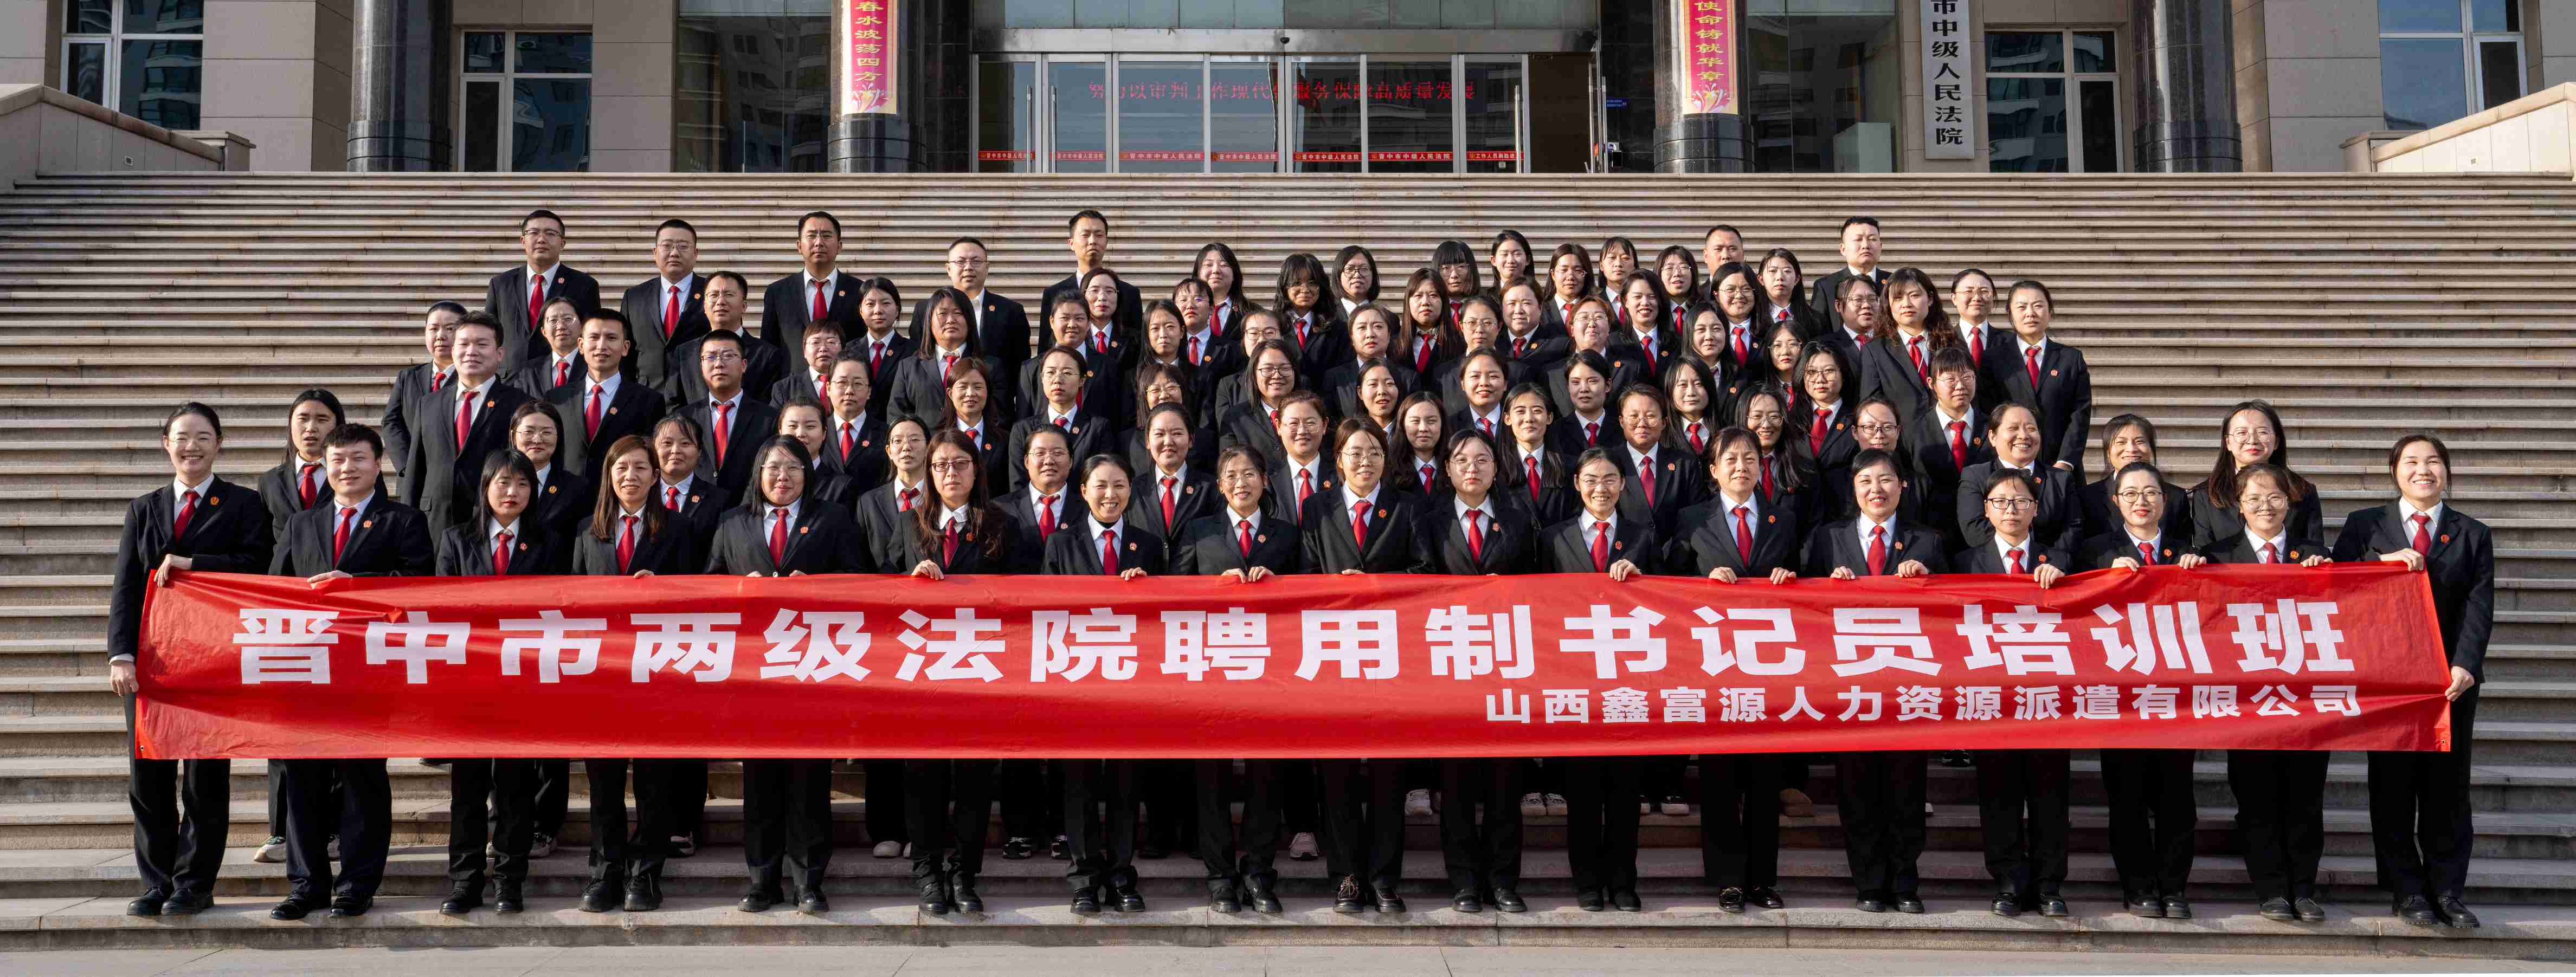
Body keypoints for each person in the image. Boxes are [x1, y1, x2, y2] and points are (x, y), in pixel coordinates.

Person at [110, 403, 273, 917]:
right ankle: (156, 882)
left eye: (203, 437)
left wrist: (194, 563)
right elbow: (126, 586)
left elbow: (258, 566)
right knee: (148, 778)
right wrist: (120, 654)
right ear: (166, 444)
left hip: (211, 663)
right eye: (182, 437)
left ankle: (195, 884)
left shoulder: (244, 504)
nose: (192, 447)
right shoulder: (144, 508)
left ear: (219, 444)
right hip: (152, 664)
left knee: (205, 779)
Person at [267, 424, 433, 920]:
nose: (347, 468)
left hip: (368, 672)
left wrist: (356, 584)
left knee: (362, 779)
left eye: (358, 458)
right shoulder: (302, 523)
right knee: (302, 780)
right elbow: (276, 589)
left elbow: (419, 586)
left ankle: (357, 884)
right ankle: (306, 884)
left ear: (378, 463)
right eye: (337, 460)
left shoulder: (404, 520)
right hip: (307, 670)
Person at [2336, 435, 2492, 931]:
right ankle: (2407, 889)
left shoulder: (2473, 533)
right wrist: (2378, 565)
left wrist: (2465, 664)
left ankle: (2448, 890)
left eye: (2433, 462)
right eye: (2411, 461)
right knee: (2393, 786)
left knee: (2448, 788)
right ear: (2394, 471)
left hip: (2449, 681)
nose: (2423, 470)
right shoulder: (2365, 525)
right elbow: (2335, 583)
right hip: (2388, 679)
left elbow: (2479, 605)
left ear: (2446, 471)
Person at [709, 436, 863, 915]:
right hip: (754, 674)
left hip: (812, 668)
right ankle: (762, 880)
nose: (783, 476)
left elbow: (860, 580)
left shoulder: (833, 519)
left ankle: (809, 881)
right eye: (773, 467)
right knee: (760, 782)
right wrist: (739, 589)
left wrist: (820, 589)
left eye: (793, 467)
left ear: (808, 473)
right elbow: (707, 585)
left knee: (809, 781)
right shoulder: (733, 522)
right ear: (758, 472)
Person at [1802, 448, 1946, 915]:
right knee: (1857, 790)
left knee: (1907, 790)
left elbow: (1954, 611)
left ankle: (1905, 882)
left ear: (1902, 485)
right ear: (1853, 488)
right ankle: (1869, 882)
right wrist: (1826, 585)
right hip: (1852, 688)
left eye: (1885, 480)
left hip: (1909, 689)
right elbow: (1800, 606)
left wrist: (1928, 581)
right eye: (1865, 481)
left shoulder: (1928, 541)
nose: (1876, 489)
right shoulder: (1828, 538)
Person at [570, 435, 703, 913]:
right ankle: (605, 872)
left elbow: (699, 597)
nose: (631, 476)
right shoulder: (587, 531)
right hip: (602, 676)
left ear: (656, 475)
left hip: (658, 673)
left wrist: (665, 589)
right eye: (621, 468)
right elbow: (570, 602)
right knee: (604, 783)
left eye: (641, 468)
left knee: (653, 781)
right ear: (609, 475)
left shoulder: (679, 528)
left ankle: (645, 873)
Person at [433, 448, 564, 917]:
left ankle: (510, 880)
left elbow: (558, 607)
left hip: (523, 680)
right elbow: (441, 607)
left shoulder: (549, 542)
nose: (512, 492)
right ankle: (465, 882)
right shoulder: (456, 540)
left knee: (515, 788)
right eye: (503, 483)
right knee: (467, 790)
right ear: (485, 487)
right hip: (468, 681)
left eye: (523, 484)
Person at [2202, 462, 2334, 924]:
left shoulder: (2313, 554)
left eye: (2275, 497)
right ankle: (2271, 888)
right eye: (2254, 499)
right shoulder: (2216, 556)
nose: (2265, 506)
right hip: (2247, 700)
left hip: (2305, 698)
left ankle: (2304, 889)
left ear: (2289, 503)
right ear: (2239, 506)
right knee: (2256, 798)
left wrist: (2328, 575)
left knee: (2306, 798)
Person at [1671, 426, 1796, 914]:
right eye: (1731, 459)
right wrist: (1702, 580)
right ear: (1714, 469)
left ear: (1762, 467)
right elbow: (1669, 580)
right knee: (1720, 777)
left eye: (1749, 458)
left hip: (1769, 667)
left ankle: (1762, 879)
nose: (1741, 467)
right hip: (1715, 665)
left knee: (1764, 779)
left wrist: (1790, 579)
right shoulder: (1692, 519)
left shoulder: (1783, 519)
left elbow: (1806, 579)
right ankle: (1727, 879)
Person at [1170, 443, 1297, 914]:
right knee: (1212, 780)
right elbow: (1174, 592)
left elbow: (1310, 593)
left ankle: (1259, 873)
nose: (1241, 482)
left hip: (1270, 674)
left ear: (1265, 481)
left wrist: (1279, 584)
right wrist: (1211, 587)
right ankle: (1221, 876)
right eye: (1231, 475)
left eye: (1249, 474)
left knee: (1267, 776)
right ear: (1220, 485)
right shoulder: (1200, 530)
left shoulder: (1287, 533)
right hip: (1213, 673)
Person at [1303, 421, 1424, 914]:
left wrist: (1374, 584)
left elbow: (1424, 572)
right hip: (1334, 656)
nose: (1365, 461)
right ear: (1337, 460)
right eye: (1354, 452)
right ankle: (1347, 875)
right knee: (1338, 775)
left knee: (1389, 775)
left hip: (1391, 657)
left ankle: (1384, 876)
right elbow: (1304, 574)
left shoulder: (1407, 507)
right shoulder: (1316, 508)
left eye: (1374, 451)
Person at [899, 429, 1021, 915]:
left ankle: (965, 873)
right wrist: (910, 582)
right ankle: (927, 871)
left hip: (980, 670)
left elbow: (1022, 594)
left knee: (974, 780)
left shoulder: (1002, 524)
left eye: (960, 464)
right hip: (921, 672)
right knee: (923, 778)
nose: (951, 473)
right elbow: (880, 586)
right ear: (929, 473)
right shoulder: (910, 523)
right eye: (941, 465)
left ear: (977, 470)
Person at [2078, 459, 2205, 920]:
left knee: (2177, 800)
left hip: (2175, 699)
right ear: (2115, 502)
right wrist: (2102, 575)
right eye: (2130, 493)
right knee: (2127, 799)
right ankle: (2139, 887)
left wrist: (2201, 572)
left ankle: (2174, 887)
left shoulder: (2187, 552)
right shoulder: (2094, 552)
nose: (2141, 501)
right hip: (2120, 698)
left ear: (2165, 500)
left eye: (2150, 492)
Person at [1415, 429, 1534, 915]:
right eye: (1462, 460)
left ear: (1496, 468)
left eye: (1482, 459)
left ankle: (1503, 880)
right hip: (1452, 665)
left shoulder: (1518, 519)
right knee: (1458, 782)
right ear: (1447, 469)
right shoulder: (1429, 521)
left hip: (1505, 665)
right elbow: (1418, 582)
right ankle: (1464, 880)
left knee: (1506, 782)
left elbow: (1539, 584)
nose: (1472, 468)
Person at [1045, 454, 1167, 914]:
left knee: (1124, 784)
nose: (1110, 494)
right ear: (1083, 491)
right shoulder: (1061, 543)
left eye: (1119, 485)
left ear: (1131, 492)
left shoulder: (1147, 545)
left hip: (1128, 684)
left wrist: (1148, 588)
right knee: (1078, 784)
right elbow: (1046, 611)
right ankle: (1083, 878)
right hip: (1076, 681)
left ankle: (1120, 875)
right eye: (1101, 485)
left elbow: (1167, 615)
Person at [1539, 449, 1656, 913]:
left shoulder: (1643, 536)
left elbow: (1664, 602)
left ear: (1624, 485)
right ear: (1576, 483)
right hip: (1575, 681)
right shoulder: (1553, 537)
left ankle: (1623, 881)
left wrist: (1642, 579)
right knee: (1583, 791)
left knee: (1626, 792)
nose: (1600, 488)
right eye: (1591, 479)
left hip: (1628, 681)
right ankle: (1587, 881)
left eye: (1610, 479)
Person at [1954, 469, 2073, 918]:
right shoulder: (1965, 563)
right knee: (1999, 798)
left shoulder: (2061, 561)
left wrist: (2065, 582)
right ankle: (2008, 882)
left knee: (2050, 798)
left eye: (2020, 501)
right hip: (1993, 701)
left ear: (2035, 508)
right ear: (1986, 510)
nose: (2011, 509)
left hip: (2048, 700)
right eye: (2001, 502)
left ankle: (2049, 885)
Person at [406, 312, 534, 529]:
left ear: (500, 354)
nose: (471, 352)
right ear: (453, 351)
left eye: (482, 345)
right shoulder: (428, 404)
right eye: (464, 344)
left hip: (490, 521)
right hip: (433, 522)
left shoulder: (520, 405)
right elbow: (415, 470)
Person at [1988, 280, 2094, 478]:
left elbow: (2080, 414)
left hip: (2061, 469)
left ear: (2050, 312)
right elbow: (1989, 412)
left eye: (2038, 306)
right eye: (2022, 307)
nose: (2030, 313)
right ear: (2010, 314)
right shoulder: (1994, 359)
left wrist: (2065, 462)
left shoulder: (2071, 359)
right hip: (2009, 469)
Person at [550, 310, 668, 483]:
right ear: (581, 345)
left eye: (611, 338)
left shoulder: (648, 401)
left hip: (620, 493)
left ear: (625, 348)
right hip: (566, 495)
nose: (601, 346)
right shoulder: (557, 399)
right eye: (594, 337)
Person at [2189, 399, 2324, 549]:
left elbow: (2314, 551)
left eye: (2263, 432)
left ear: (2277, 441)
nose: (2252, 441)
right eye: (2242, 433)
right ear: (2227, 442)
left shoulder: (2303, 491)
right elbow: (2204, 553)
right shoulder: (2207, 494)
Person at [1956, 402, 2082, 555]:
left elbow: (2073, 529)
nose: (2023, 436)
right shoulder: (1975, 476)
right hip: (1995, 565)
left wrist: (2050, 561)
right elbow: (1975, 530)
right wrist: (2021, 556)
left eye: (2031, 429)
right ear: (1993, 437)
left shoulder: (2060, 479)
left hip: (2051, 566)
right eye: (2013, 428)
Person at [484, 209, 601, 365]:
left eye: (550, 233)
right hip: (510, 374)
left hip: (562, 374)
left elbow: (591, 335)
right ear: (523, 240)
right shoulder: (501, 284)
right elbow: (488, 333)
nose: (541, 239)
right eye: (534, 233)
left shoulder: (585, 285)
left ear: (562, 244)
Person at [680, 329, 783, 502]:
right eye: (710, 357)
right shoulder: (684, 418)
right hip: (695, 509)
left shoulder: (770, 419)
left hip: (748, 510)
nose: (719, 364)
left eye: (728, 356)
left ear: (744, 365)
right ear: (701, 367)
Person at [1908, 349, 1991, 553]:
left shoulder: (1993, 429)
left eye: (1967, 377)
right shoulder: (1913, 433)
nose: (1960, 386)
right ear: (1931, 384)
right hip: (1932, 537)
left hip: (1984, 537)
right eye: (1950, 379)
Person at [664, 270, 785, 406]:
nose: (721, 302)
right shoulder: (684, 354)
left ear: (744, 306)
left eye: (729, 295)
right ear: (704, 307)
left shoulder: (767, 355)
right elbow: (673, 405)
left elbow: (769, 409)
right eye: (714, 295)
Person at [917, 236, 1031, 378]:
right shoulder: (924, 310)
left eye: (976, 261)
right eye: (960, 262)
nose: (968, 267)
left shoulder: (1011, 311)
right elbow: (919, 359)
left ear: (987, 268)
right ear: (949, 269)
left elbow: (1021, 366)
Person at [1856, 267, 1955, 428]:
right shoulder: (1875, 350)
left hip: (1947, 434)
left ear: (1930, 299)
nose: (1907, 304)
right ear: (1888, 304)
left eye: (1915, 296)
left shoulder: (1950, 342)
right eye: (1898, 298)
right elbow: (1871, 406)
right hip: (1901, 438)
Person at [621, 218, 710, 394]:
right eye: (667, 246)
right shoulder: (634, 297)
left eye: (683, 246)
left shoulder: (711, 293)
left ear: (696, 253)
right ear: (655, 252)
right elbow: (625, 354)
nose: (674, 253)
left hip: (697, 396)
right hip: (647, 395)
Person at [1008, 345, 1113, 492]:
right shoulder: (1023, 430)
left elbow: (1101, 481)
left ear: (1082, 380)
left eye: (1067, 373)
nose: (1057, 380)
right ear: (1042, 378)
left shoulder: (1098, 428)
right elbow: (1018, 486)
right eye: (1051, 373)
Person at [2077, 414, 2191, 548]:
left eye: (2140, 442)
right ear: (2108, 452)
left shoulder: (2176, 497)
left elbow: (2183, 549)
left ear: (2151, 448)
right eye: (2121, 442)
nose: (2131, 449)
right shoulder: (2086, 498)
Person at [761, 211, 861, 356]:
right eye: (812, 236)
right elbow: (769, 348)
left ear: (839, 246)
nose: (819, 243)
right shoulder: (778, 292)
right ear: (799, 246)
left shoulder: (858, 290)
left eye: (827, 236)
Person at [889, 287, 993, 428]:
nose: (951, 320)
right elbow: (896, 417)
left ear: (970, 320)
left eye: (958, 313)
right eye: (942, 314)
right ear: (929, 321)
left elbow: (999, 418)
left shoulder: (990, 366)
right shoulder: (909, 368)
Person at [1606, 384, 1701, 538]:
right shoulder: (1609, 463)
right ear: (1622, 421)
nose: (1642, 423)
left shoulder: (1685, 464)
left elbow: (1696, 518)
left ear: (1664, 422)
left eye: (1650, 416)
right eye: (1634, 416)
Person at [260, 390, 348, 541]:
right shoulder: (270, 481)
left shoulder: (356, 475)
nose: (311, 428)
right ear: (291, 424)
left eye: (322, 420)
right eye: (303, 419)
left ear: (338, 426)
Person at [383, 301, 465, 464]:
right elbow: (391, 423)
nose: (440, 336)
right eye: (433, 329)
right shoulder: (408, 377)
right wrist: (407, 467)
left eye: (450, 329)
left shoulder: (472, 378)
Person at [1040, 209, 1143, 335]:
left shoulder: (1129, 294)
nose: (1093, 241)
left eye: (1099, 235)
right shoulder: (1053, 294)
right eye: (1085, 235)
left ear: (1106, 242)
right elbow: (1046, 345)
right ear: (1071, 243)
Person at [853, 417, 932, 575]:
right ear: (889, 451)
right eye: (898, 441)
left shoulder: (941, 498)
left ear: (928, 448)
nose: (906, 447)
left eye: (915, 440)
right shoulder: (868, 503)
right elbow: (859, 561)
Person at [510, 400, 592, 542]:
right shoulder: (495, 482)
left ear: (558, 437)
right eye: (528, 432)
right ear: (513, 437)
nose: (537, 440)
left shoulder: (577, 489)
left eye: (547, 432)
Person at [821, 348, 891, 491]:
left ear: (869, 391)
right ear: (828, 388)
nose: (849, 391)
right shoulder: (817, 431)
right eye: (842, 383)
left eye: (858, 384)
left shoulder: (886, 434)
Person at [649, 415, 726, 544]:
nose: (675, 451)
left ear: (699, 451)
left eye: (685, 444)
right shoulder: (641, 493)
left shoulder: (718, 500)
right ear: (654, 449)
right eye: (667, 443)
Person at [847, 276, 914, 420]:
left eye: (886, 303)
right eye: (870, 304)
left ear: (897, 310)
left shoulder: (913, 351)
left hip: (898, 428)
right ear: (861, 311)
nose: (878, 310)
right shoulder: (849, 351)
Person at [1807, 216, 1886, 336]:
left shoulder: (1894, 283)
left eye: (1872, 239)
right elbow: (1818, 333)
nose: (1866, 245)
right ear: (1843, 249)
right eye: (1858, 240)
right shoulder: (1826, 286)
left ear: (1880, 246)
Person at [1273, 253, 1344, 379]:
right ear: (1285, 286)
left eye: (1312, 283)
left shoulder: (1337, 327)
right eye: (1297, 283)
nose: (1305, 290)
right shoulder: (1273, 326)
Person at [1792, 341, 1859, 475]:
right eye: (1811, 372)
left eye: (1829, 371)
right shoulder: (1791, 420)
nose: (1820, 379)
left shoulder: (1857, 420)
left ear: (1843, 375)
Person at [510, 296, 585, 399]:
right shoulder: (528, 372)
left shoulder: (593, 366)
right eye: (553, 321)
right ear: (544, 331)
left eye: (568, 319)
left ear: (582, 326)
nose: (561, 326)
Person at [768, 315, 843, 406]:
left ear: (843, 349)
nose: (823, 349)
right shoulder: (785, 388)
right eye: (815, 343)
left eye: (831, 342)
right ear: (804, 351)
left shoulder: (853, 385)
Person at [1498, 280, 1570, 374]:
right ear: (1502, 309)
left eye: (1526, 303)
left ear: (1540, 308)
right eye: (1511, 304)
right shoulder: (1494, 343)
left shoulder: (1560, 346)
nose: (1518, 311)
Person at [1750, 248, 1821, 340]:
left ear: (1797, 279)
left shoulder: (1816, 320)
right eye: (1772, 271)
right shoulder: (1751, 318)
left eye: (1787, 271)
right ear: (1761, 279)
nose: (1780, 277)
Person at [1950, 268, 2004, 387]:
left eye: (1984, 291)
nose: (1977, 298)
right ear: (1954, 299)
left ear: (1993, 297)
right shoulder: (1942, 341)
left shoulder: (2010, 342)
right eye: (1968, 291)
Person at [1196, 241, 1255, 337]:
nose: (1216, 270)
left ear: (1234, 274)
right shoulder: (1184, 311)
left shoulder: (1253, 313)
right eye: (1208, 265)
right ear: (1198, 274)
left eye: (1224, 265)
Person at [1822, 273, 1880, 363]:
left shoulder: (1892, 344)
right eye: (1858, 300)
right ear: (1839, 306)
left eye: (1872, 299)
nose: (1867, 305)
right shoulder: (1825, 346)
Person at [1433, 239, 1483, 321]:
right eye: (1446, 268)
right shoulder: (1431, 308)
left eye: (1461, 267)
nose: (1454, 275)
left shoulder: (1486, 306)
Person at [1331, 244, 1382, 322]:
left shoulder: (1388, 319)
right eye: (1350, 269)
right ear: (1338, 275)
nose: (1357, 275)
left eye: (1364, 269)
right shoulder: (1325, 317)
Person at [1700, 225, 1745, 296]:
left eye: (1732, 249)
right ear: (1706, 256)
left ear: (1743, 254)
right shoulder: (1695, 298)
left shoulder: (1759, 295)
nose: (1726, 256)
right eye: (1718, 249)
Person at [1489, 229, 1535, 295]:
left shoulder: (1538, 297)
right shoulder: (1485, 299)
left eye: (1517, 254)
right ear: (1494, 260)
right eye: (1504, 254)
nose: (1510, 261)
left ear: (1528, 260)